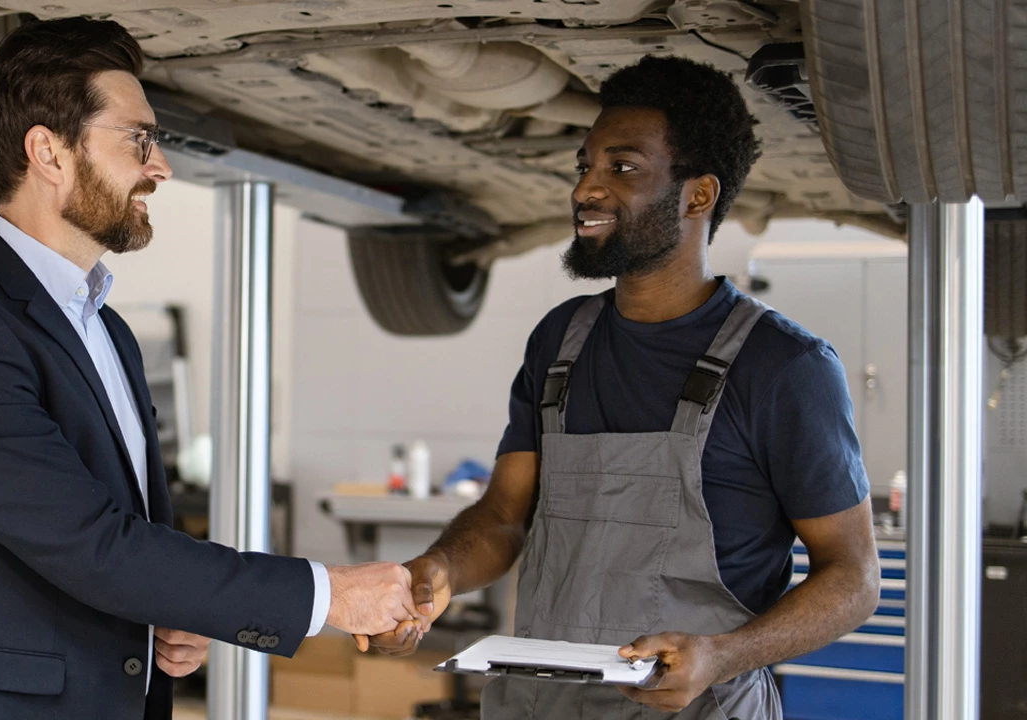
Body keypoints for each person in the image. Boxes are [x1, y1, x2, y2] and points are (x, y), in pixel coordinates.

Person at [0, 18, 416, 720]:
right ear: (49, 151)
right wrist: (328, 594)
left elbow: (122, 545)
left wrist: (166, 612)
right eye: (139, 139)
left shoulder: (105, 327)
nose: (161, 167)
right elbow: (92, 544)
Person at [367, 55, 881, 718]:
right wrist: (435, 575)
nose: (586, 189)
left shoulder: (784, 366)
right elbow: (501, 518)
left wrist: (724, 654)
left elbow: (854, 578)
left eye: (623, 168)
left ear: (698, 195)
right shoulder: (561, 341)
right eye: (586, 165)